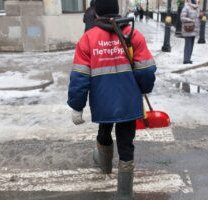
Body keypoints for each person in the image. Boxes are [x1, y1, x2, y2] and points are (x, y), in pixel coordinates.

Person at [67, 0, 157, 199]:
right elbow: (147, 70)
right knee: (126, 143)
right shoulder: (133, 34)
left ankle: (105, 166)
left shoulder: (88, 39)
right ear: (117, 11)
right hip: (128, 101)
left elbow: (80, 77)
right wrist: (143, 89)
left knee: (104, 131)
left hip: (103, 101)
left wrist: (77, 106)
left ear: (96, 13)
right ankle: (124, 194)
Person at [180, 0, 200, 64]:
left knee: (191, 45)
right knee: (188, 45)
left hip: (193, 29)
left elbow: (197, 18)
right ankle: (186, 60)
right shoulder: (186, 7)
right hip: (188, 29)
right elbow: (182, 18)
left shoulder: (196, 8)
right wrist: (191, 20)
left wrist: (200, 17)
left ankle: (188, 59)